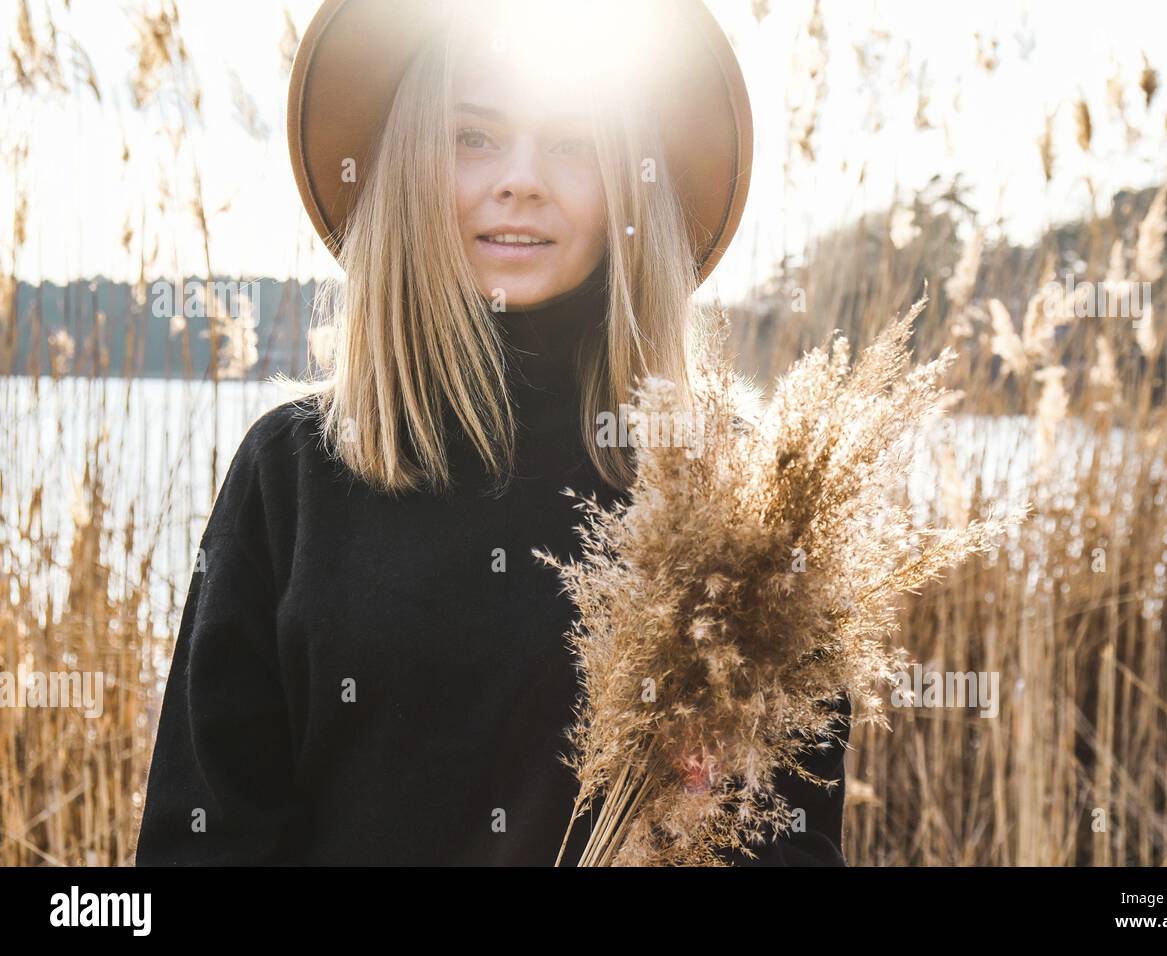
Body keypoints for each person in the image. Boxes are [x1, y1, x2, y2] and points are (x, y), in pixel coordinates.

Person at [135, 0, 850, 866]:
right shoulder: (294, 472)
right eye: (472, 137)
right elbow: (205, 835)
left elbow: (793, 837)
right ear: (406, 167)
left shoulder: (733, 485)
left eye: (574, 142)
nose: (521, 179)